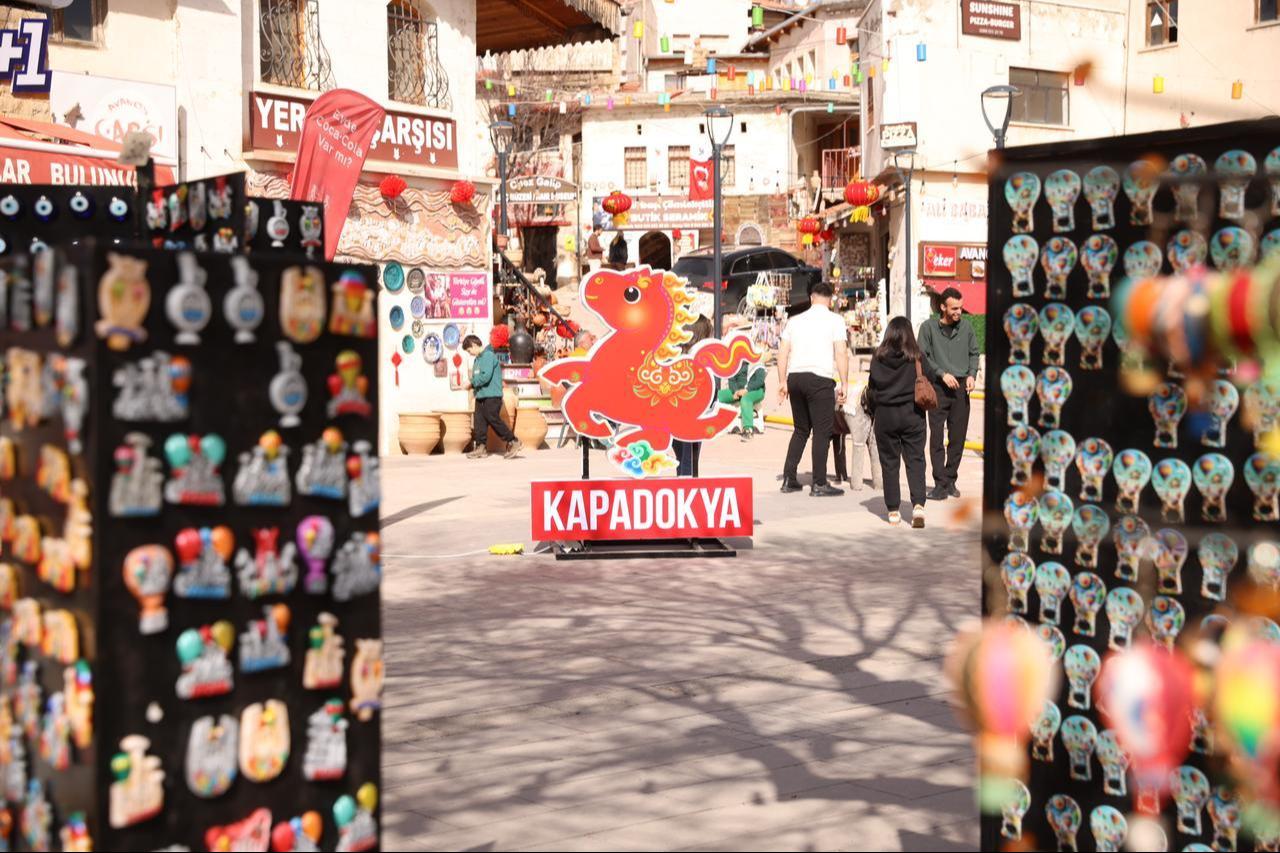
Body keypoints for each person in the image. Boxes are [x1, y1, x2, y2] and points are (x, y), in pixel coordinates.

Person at [777, 282, 849, 497]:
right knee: (822, 431)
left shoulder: (794, 321)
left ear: (811, 298)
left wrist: (782, 381)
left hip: (796, 378)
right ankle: (819, 482)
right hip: (820, 379)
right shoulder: (836, 320)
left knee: (801, 429)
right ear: (830, 299)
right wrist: (844, 382)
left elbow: (783, 352)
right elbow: (841, 353)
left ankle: (789, 477)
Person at [868, 317, 937, 527]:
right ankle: (918, 506)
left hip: (885, 416)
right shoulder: (917, 357)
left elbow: (872, 388)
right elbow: (932, 377)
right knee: (915, 460)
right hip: (912, 415)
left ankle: (893, 512)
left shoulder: (877, 358)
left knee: (889, 463)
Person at [917, 287, 979, 501]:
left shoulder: (968, 327)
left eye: (960, 308)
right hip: (937, 389)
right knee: (936, 438)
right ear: (942, 307)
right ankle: (940, 484)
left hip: (962, 389)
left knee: (958, 438)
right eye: (954, 308)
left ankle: (951, 479)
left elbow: (974, 353)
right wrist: (941, 374)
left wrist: (972, 375)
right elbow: (922, 356)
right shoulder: (927, 328)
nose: (958, 312)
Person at [463, 335, 522, 459]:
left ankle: (513, 441)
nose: (470, 354)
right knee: (479, 422)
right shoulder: (477, 360)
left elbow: (486, 376)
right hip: (481, 396)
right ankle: (480, 447)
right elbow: (478, 376)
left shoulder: (488, 356)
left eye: (469, 350)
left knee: (493, 419)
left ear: (474, 345)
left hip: (492, 396)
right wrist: (473, 388)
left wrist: (471, 383)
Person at [673, 316, 712, 476]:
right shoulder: (697, 359)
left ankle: (683, 483)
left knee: (682, 457)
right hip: (692, 414)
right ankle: (687, 487)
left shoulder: (677, 355)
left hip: (675, 414)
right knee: (689, 458)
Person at [719, 360, 766, 438]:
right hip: (738, 391)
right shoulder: (735, 362)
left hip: (755, 390)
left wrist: (746, 390)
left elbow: (759, 381)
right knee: (717, 396)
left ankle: (748, 429)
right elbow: (732, 380)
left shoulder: (756, 362)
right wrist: (735, 392)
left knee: (745, 399)